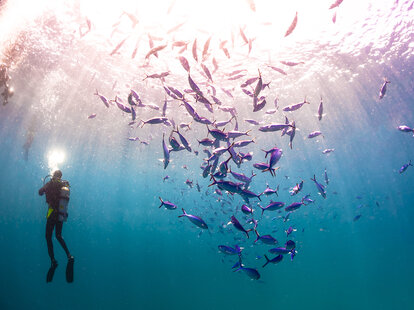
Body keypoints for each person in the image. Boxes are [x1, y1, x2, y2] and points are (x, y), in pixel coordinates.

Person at [38, 170, 74, 282]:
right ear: (61, 176)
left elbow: (40, 192)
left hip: (52, 213)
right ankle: (69, 255)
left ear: (53, 175)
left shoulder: (50, 183)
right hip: (61, 214)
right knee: (58, 235)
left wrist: (44, 188)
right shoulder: (63, 184)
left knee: (48, 237)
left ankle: (53, 260)